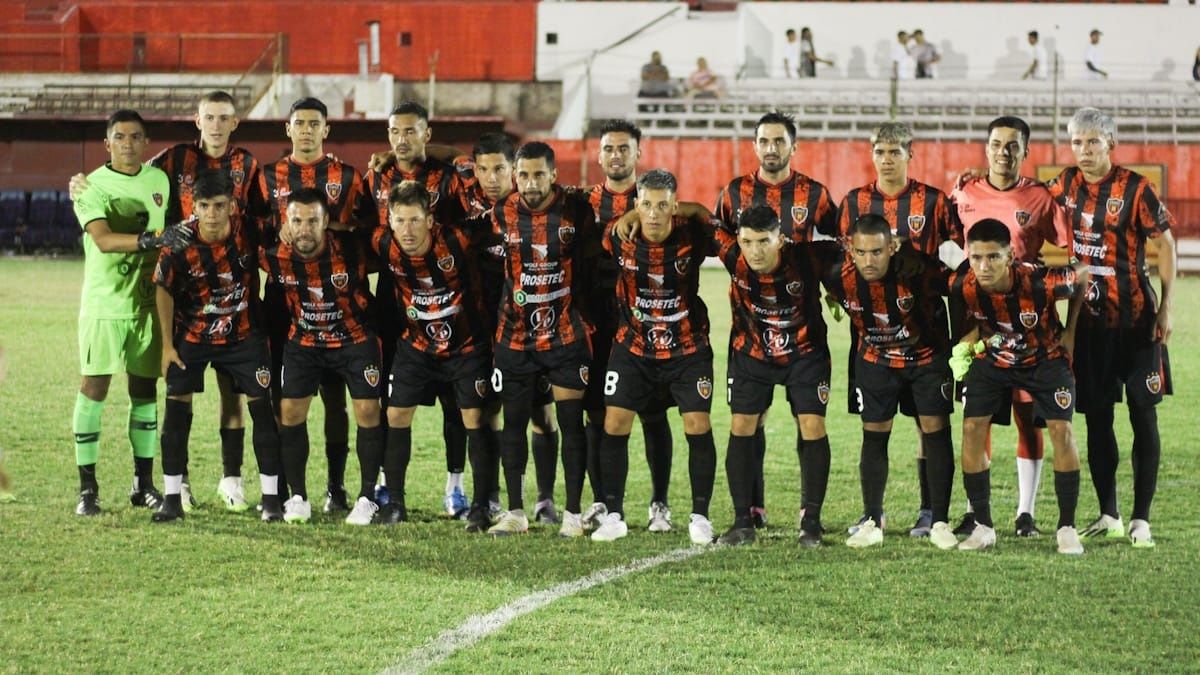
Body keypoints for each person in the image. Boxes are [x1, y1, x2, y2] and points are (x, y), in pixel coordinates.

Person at [69, 90, 260, 512]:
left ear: (234, 122)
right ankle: (113, 487)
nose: (128, 144)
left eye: (222, 117)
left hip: (201, 298)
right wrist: (79, 182)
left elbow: (262, 216)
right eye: (120, 137)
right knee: (130, 389)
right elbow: (107, 227)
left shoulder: (244, 165)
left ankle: (193, 481)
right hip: (140, 302)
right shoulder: (170, 163)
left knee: (184, 392)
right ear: (197, 120)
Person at [1047, 107, 1176, 548]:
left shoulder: (1137, 188)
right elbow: (1026, 203)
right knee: (1098, 417)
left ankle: (1142, 519)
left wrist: (1167, 310)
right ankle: (1110, 514)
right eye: (1077, 142)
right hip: (1089, 324)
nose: (1083, 151)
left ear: (1110, 144)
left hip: (1138, 321)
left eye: (1092, 142)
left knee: (1143, 413)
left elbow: (1167, 244)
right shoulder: (1064, 184)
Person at [251, 96, 376, 515]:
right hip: (285, 296)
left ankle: (337, 488)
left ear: (327, 130)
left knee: (339, 398)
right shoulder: (267, 177)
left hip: (340, 294)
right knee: (285, 398)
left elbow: (367, 228)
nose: (306, 130)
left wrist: (328, 228)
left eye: (314, 123)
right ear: (287, 129)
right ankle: (288, 490)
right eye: (298, 123)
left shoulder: (349, 175)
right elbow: (252, 228)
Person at [950, 115, 1073, 538]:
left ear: (1025, 151)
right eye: (997, 144)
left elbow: (1071, 244)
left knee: (1027, 415)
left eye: (1013, 146)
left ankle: (1025, 514)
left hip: (1029, 320)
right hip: (980, 320)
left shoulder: (1040, 197)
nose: (1004, 152)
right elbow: (952, 243)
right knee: (976, 415)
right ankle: (974, 512)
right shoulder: (965, 190)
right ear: (986, 147)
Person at [715, 110, 837, 529]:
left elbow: (839, 242)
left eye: (778, 141)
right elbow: (712, 231)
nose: (771, 148)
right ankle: (750, 512)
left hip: (803, 334)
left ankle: (811, 518)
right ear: (754, 146)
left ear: (793, 146)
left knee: (810, 422)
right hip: (751, 335)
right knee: (749, 421)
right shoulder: (734, 194)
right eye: (764, 141)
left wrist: (837, 289)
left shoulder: (815, 194)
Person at [835, 121, 954, 538]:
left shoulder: (934, 202)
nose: (887, 160)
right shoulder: (852, 203)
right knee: (875, 427)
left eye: (894, 152)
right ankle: (873, 515)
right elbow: (837, 262)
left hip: (925, 337)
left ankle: (931, 513)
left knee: (931, 426)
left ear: (910, 154)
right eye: (879, 152)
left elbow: (966, 245)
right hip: (874, 340)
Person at [366, 101, 480, 519]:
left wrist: (442, 153)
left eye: (411, 131)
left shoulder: (446, 177)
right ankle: (385, 483)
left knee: (455, 398)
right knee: (390, 397)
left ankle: (456, 485)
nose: (402, 139)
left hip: (448, 301)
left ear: (427, 136)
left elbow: (467, 168)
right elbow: (366, 229)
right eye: (395, 131)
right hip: (394, 297)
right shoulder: (378, 176)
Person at [592, 169, 717, 545]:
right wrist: (628, 217)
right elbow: (606, 236)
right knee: (614, 422)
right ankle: (614, 515)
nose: (654, 213)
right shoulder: (618, 236)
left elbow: (714, 222)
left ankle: (700, 516)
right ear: (636, 206)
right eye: (646, 204)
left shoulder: (692, 236)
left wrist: (693, 209)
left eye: (663, 205)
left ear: (675, 207)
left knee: (696, 424)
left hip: (687, 349)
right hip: (633, 348)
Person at [71, 109, 186, 516]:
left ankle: (143, 483)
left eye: (136, 137)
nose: (128, 144)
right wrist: (154, 238)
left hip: (146, 305)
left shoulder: (159, 181)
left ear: (145, 142)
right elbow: (102, 240)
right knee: (94, 389)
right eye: (119, 137)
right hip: (104, 306)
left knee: (144, 392)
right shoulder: (91, 186)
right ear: (107, 144)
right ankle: (88, 488)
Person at [150, 170, 283, 523]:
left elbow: (289, 223)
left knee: (262, 411)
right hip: (193, 338)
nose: (211, 214)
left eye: (219, 206)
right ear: (194, 206)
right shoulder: (179, 241)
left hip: (243, 337)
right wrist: (166, 346)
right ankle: (173, 498)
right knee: (176, 412)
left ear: (232, 205)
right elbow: (161, 288)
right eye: (204, 206)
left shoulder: (250, 231)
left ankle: (270, 500)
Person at [950, 219, 1089, 554]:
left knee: (1061, 432)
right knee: (971, 430)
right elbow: (966, 315)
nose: (984, 266)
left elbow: (1082, 272)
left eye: (993, 257)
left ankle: (1067, 527)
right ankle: (983, 527)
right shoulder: (962, 283)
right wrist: (967, 342)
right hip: (995, 363)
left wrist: (1070, 330)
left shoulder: (1041, 281)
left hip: (1045, 361)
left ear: (1010, 255)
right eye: (976, 258)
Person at [370, 180, 501, 531]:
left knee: (474, 418)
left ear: (430, 220)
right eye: (399, 221)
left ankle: (480, 505)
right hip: (416, 346)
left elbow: (500, 221)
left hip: (467, 346)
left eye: (415, 220)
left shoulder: (458, 240)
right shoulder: (382, 242)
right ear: (390, 220)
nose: (407, 230)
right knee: (395, 414)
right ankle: (394, 502)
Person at [487, 142, 597, 537]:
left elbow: (591, 265)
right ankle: (515, 512)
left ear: (553, 175)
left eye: (538, 175)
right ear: (515, 176)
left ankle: (571, 514)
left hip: (566, 335)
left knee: (570, 422)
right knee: (513, 421)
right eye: (523, 175)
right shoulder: (500, 213)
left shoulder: (577, 212)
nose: (530, 183)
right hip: (515, 335)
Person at [259, 188, 384, 525]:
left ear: (327, 222)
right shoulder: (274, 255)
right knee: (289, 411)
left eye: (313, 220)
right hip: (304, 341)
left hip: (354, 340)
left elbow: (381, 236)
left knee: (368, 410)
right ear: (286, 222)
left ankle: (367, 496)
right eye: (297, 220)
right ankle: (298, 496)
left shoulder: (353, 249)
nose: (304, 229)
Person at [583, 121, 676, 534]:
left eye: (624, 148)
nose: (616, 155)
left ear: (639, 154)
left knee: (654, 414)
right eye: (609, 149)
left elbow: (692, 215)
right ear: (598, 156)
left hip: (646, 321)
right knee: (597, 415)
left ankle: (660, 504)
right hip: (596, 324)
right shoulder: (582, 204)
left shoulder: (655, 200)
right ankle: (603, 502)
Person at [464, 133, 560, 525]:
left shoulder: (534, 209)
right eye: (483, 170)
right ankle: (486, 499)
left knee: (540, 415)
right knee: (485, 414)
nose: (491, 177)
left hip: (529, 332)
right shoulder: (476, 216)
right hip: (478, 330)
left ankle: (545, 499)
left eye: (500, 169)